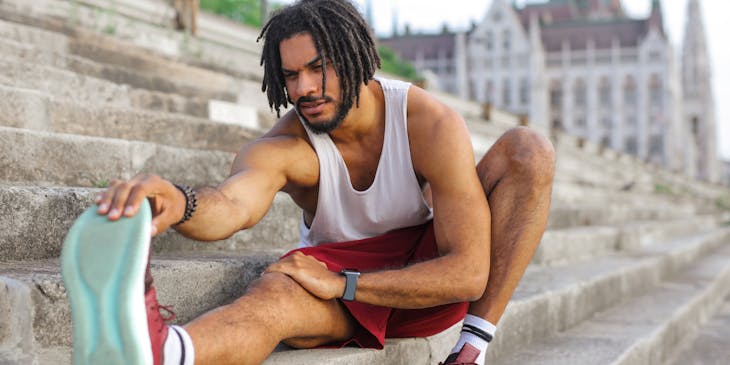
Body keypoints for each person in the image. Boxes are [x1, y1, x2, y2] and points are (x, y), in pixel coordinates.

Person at [67, 0, 555, 364]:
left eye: (318, 68)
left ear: (355, 59)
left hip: (427, 284)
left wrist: (344, 282)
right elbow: (234, 203)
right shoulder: (286, 146)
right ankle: (164, 352)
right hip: (339, 284)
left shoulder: (426, 122)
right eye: (291, 75)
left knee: (528, 150)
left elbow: (468, 273)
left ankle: (474, 347)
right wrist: (181, 201)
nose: (303, 89)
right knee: (275, 296)